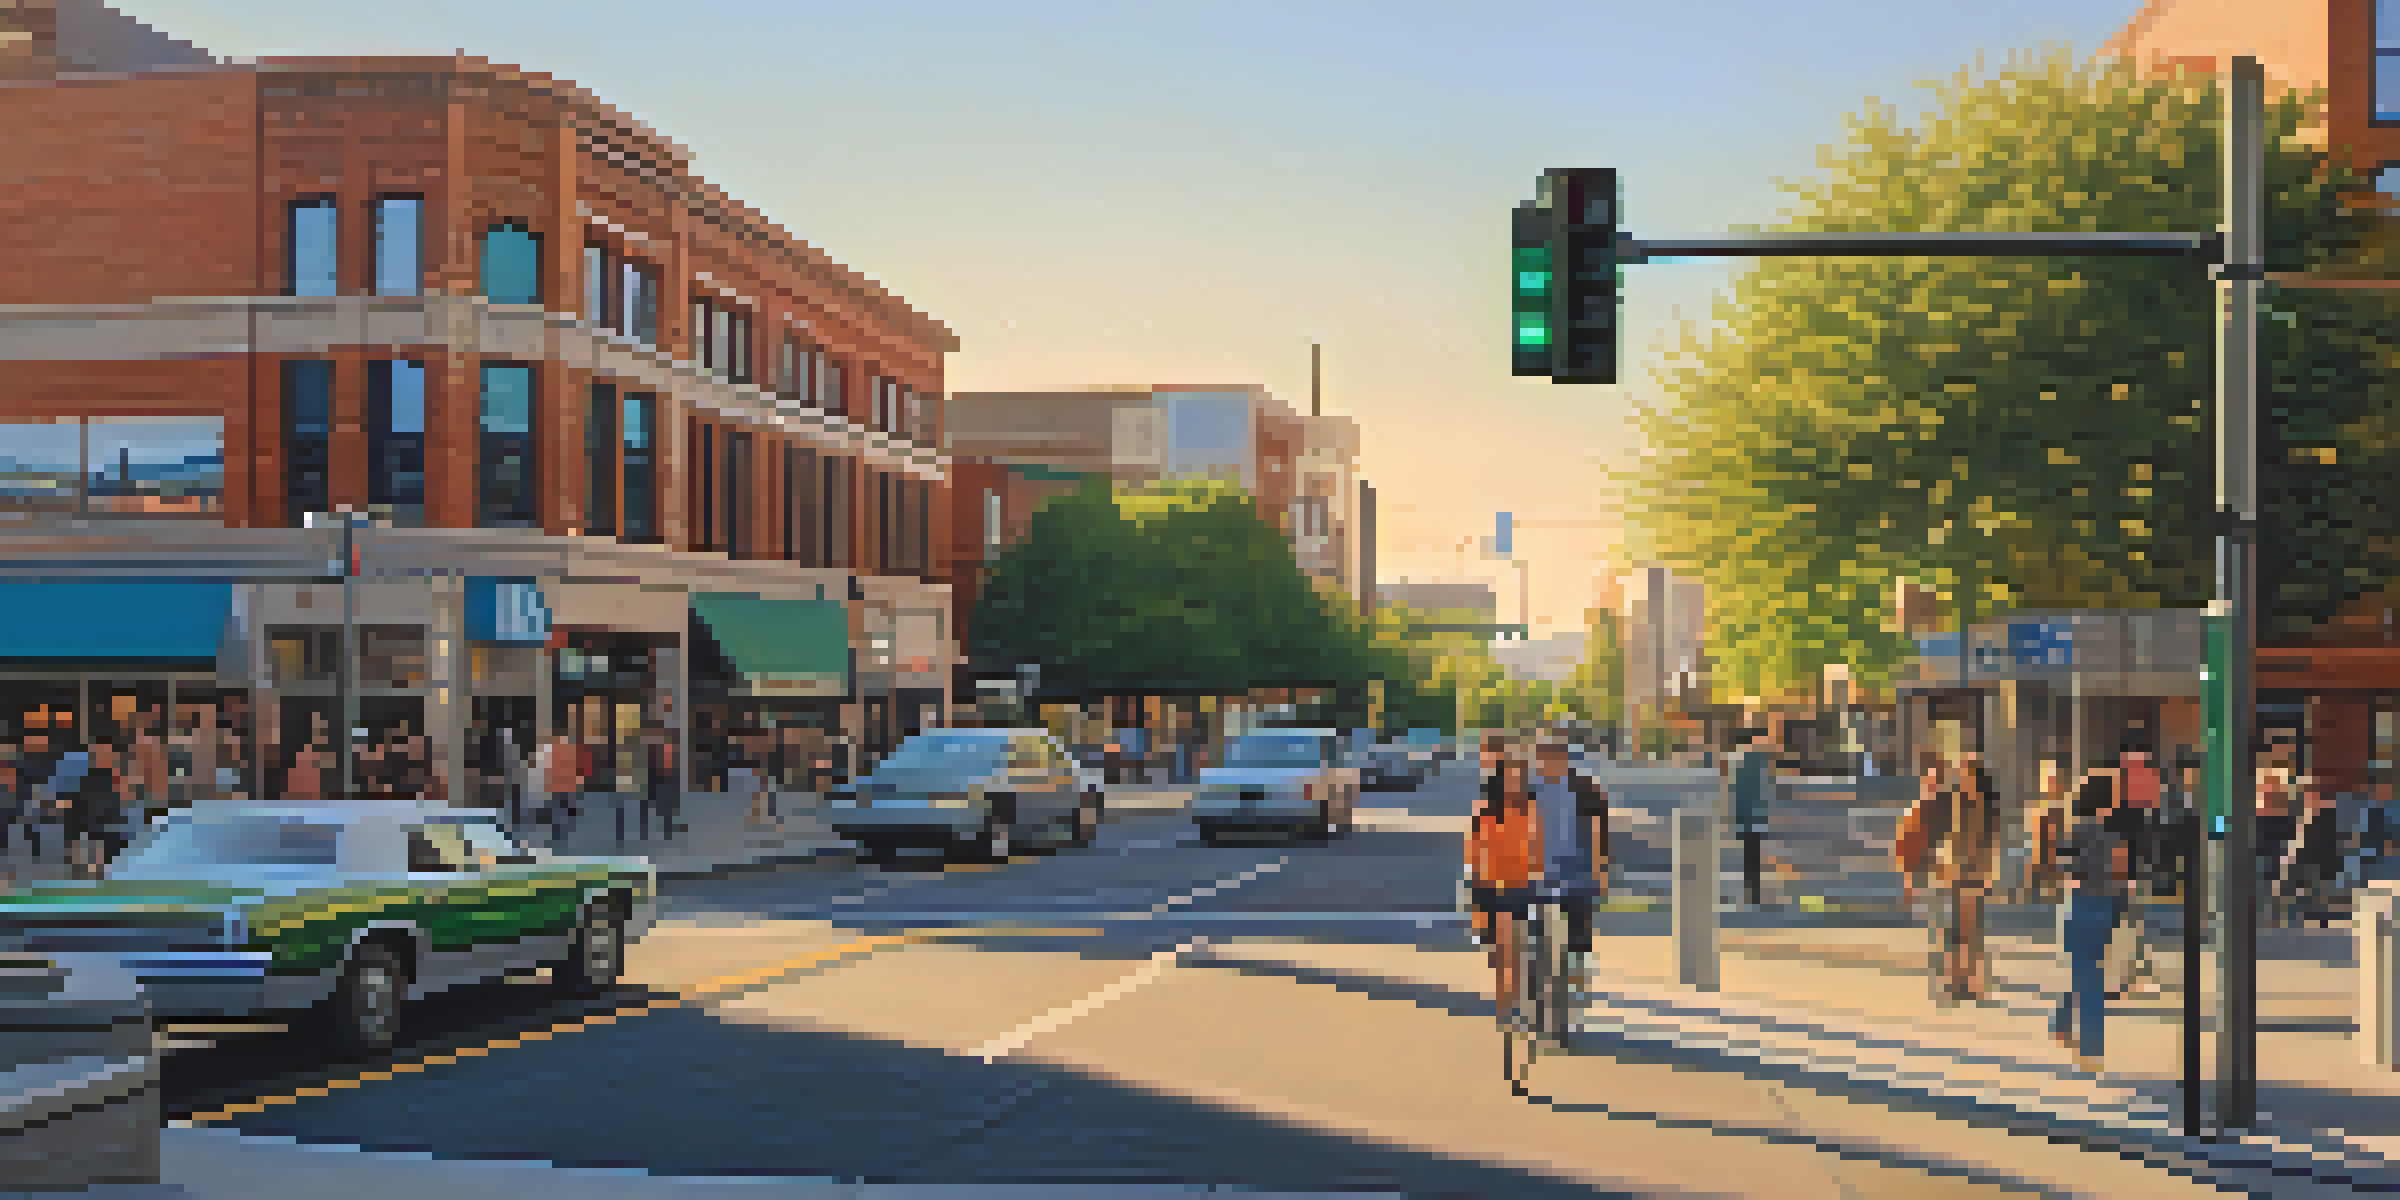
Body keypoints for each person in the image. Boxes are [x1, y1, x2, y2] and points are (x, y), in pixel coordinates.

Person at [2054, 763, 2133, 1074]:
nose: (2118, 796)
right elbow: (2119, 872)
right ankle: (2088, 1047)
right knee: (2091, 977)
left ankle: (2063, 1024)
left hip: (2082, 903)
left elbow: (2064, 865)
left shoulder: (2077, 828)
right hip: (2103, 905)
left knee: (2084, 972)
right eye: (2114, 791)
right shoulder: (2108, 831)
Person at [1466, 736, 1542, 1032]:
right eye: (1509, 776)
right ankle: (1505, 1005)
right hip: (1490, 886)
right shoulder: (1484, 810)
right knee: (1500, 953)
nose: (1514, 782)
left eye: (1518, 776)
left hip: (1522, 886)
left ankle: (1518, 1008)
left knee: (1517, 949)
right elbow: (1473, 853)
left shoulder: (1532, 808)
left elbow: (1540, 846)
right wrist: (1475, 895)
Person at [1530, 729, 1610, 1004]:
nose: (1545, 763)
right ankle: (1537, 987)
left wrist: (1600, 871)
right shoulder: (1530, 790)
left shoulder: (1585, 787)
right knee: (1536, 932)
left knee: (1578, 933)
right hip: (1538, 875)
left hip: (1578, 874)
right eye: (1542, 757)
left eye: (1551, 756)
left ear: (1563, 758)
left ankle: (1576, 986)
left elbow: (1599, 830)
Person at [1723, 727, 1774, 906]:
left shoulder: (1745, 761)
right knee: (1750, 856)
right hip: (1749, 815)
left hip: (1748, 815)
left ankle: (1751, 894)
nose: (1766, 742)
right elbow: (1749, 792)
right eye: (1762, 739)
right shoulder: (1751, 762)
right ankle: (1751, 895)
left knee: (1750, 856)